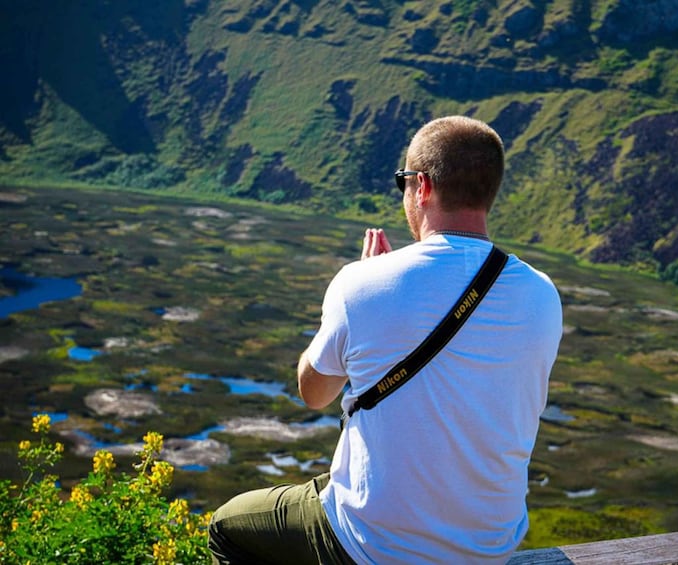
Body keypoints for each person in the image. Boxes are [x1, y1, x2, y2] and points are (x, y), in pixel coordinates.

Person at [208, 115, 563, 564]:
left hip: (374, 547)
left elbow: (314, 393)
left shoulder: (360, 285)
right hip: (489, 548)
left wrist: (363, 283)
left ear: (424, 186)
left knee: (228, 528)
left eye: (404, 183)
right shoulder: (542, 294)